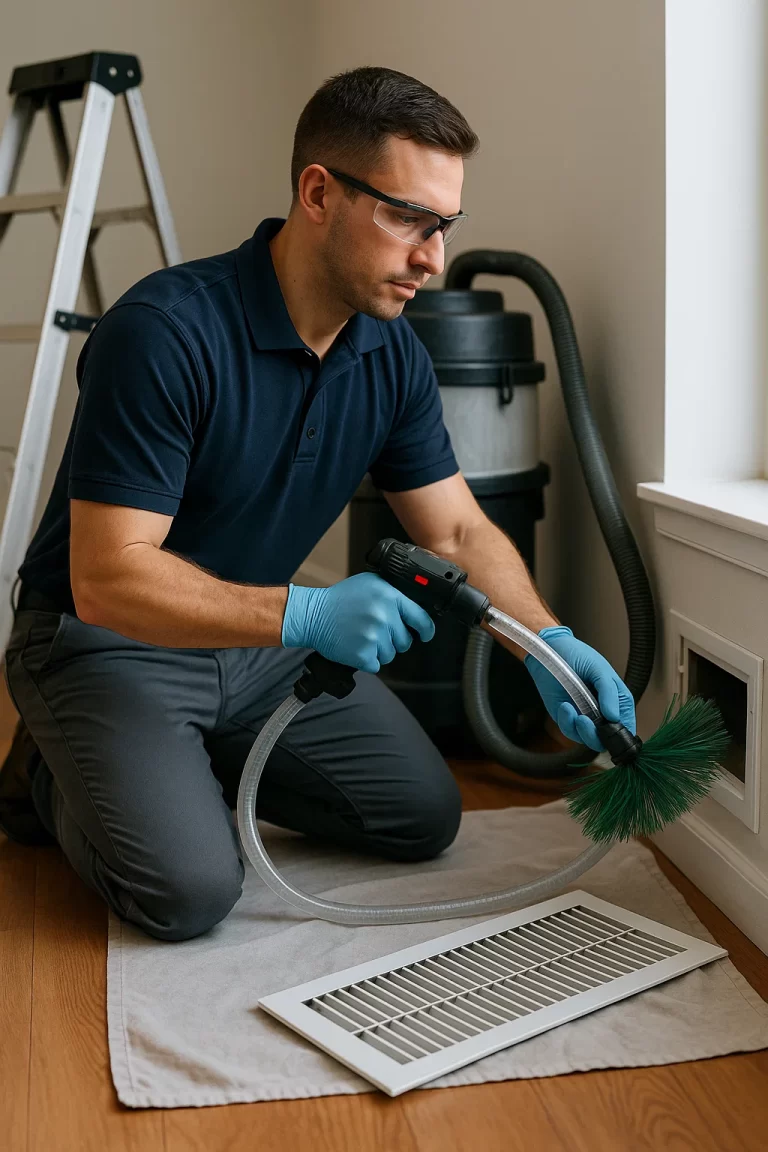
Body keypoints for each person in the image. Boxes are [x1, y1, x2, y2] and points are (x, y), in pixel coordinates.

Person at [0, 67, 636, 941]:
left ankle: (173, 760)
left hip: (256, 645)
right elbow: (107, 580)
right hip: (107, 640)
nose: (433, 257)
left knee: (421, 817)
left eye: (445, 226)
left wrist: (543, 642)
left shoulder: (392, 354)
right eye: (409, 218)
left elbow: (453, 526)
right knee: (188, 895)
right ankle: (50, 769)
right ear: (318, 193)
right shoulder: (165, 333)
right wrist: (307, 613)